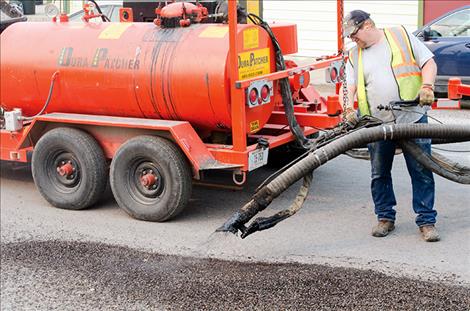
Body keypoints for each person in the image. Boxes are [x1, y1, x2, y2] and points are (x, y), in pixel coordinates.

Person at [341, 10, 439, 242]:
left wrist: (427, 86)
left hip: (412, 118)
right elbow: (348, 87)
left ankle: (426, 221)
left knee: (422, 171)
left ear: (367, 25)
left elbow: (429, 63)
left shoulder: (401, 35)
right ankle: (385, 218)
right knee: (379, 173)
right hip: (377, 123)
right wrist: (346, 108)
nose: (352, 39)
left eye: (354, 34)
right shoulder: (354, 55)